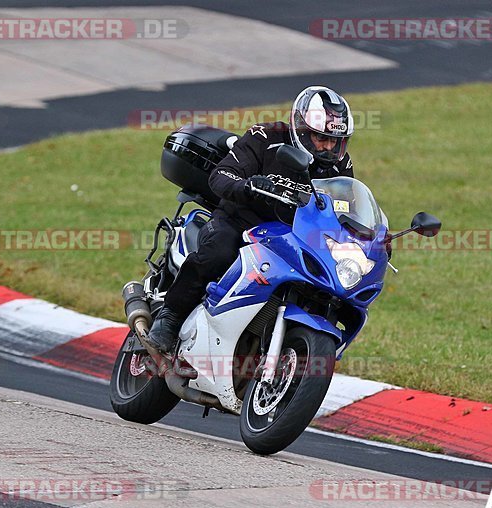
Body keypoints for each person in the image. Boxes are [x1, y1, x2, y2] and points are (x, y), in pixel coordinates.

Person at [147, 86, 356, 353]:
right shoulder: (265, 137)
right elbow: (222, 175)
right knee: (219, 252)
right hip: (240, 221)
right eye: (320, 138)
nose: (329, 147)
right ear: (302, 129)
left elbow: (346, 208)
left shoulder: (340, 165)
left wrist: (371, 237)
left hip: (289, 237)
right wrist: (248, 186)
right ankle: (170, 317)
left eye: (335, 141)